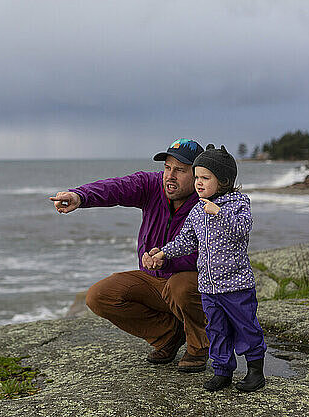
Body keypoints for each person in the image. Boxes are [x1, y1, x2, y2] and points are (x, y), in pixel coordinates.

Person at [50, 139, 210, 372]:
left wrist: (168, 257)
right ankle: (168, 335)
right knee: (99, 296)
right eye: (167, 168)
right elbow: (115, 187)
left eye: (180, 170)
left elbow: (214, 253)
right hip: (154, 282)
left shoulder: (209, 202)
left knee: (180, 286)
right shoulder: (152, 185)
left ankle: (198, 347)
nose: (170, 176)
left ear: (197, 175)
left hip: (192, 286)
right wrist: (80, 197)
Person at [143, 144, 267, 392]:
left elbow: (242, 230)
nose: (198, 183)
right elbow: (186, 241)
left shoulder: (238, 203)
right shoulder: (198, 209)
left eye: (205, 178)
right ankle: (222, 372)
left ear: (223, 180)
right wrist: (164, 252)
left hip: (236, 286)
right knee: (217, 329)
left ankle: (255, 372)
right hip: (209, 287)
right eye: (197, 177)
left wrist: (219, 213)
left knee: (245, 327)